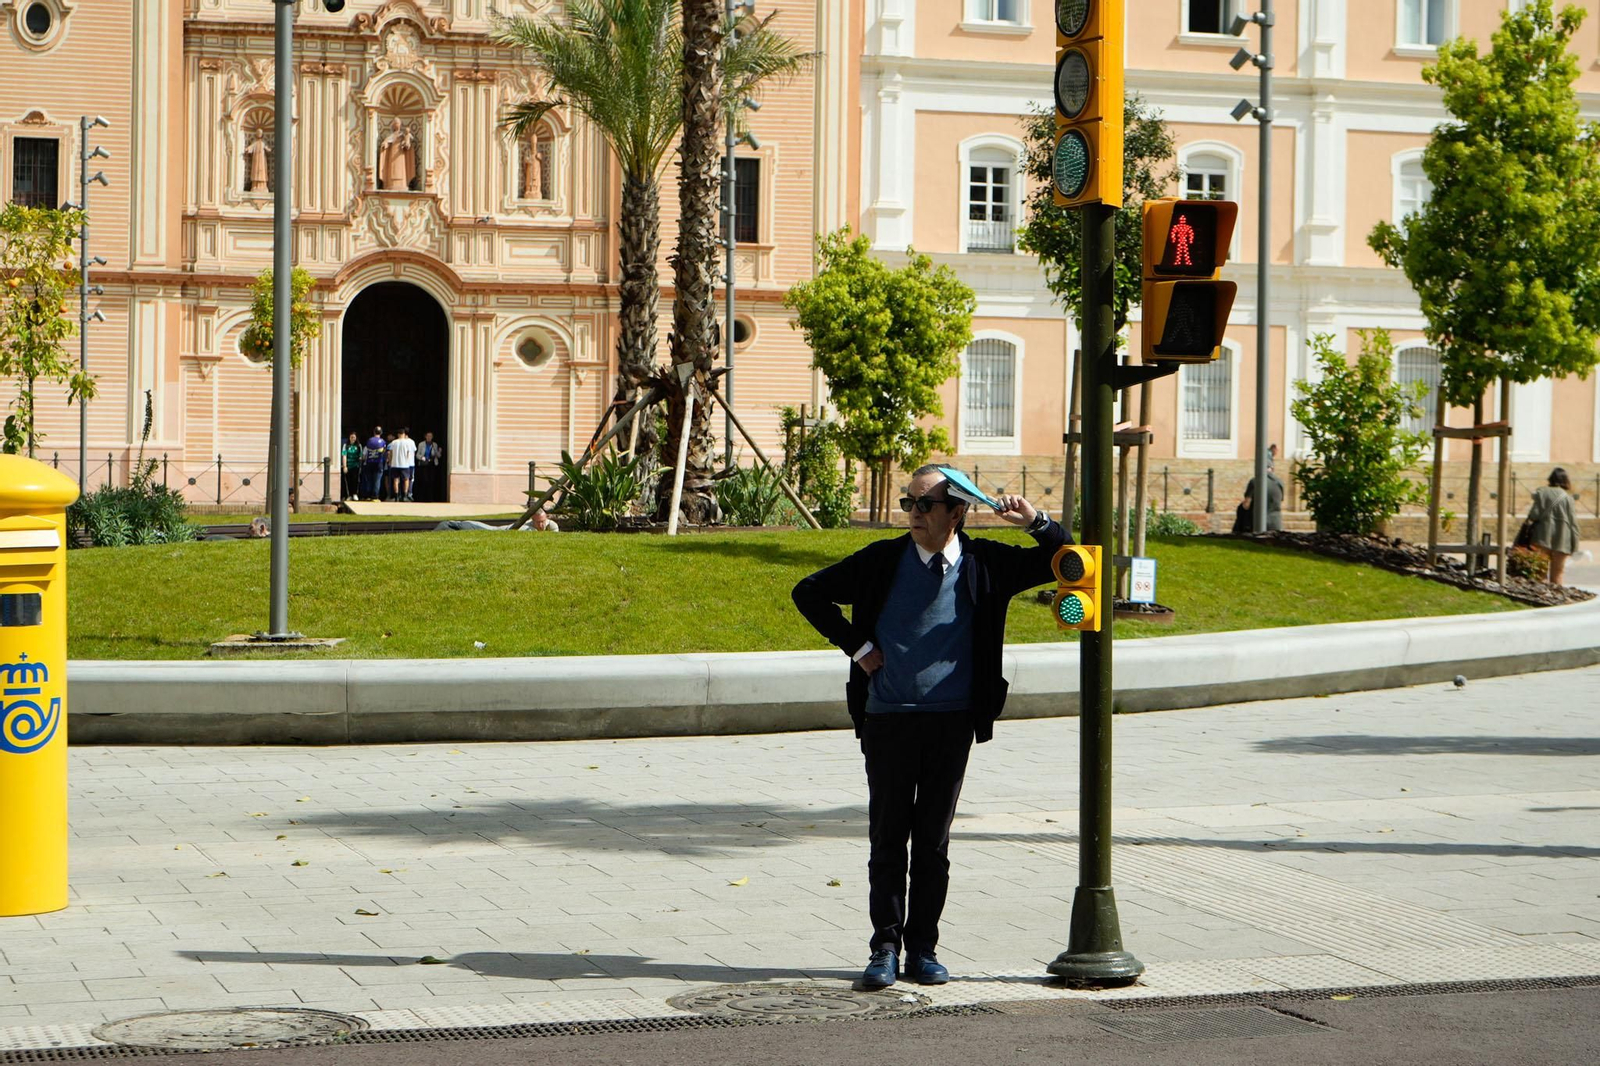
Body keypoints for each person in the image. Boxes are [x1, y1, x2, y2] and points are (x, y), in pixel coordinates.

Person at [791, 465, 1066, 990]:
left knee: (933, 843)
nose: (914, 514)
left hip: (951, 722)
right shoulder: (882, 561)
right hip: (888, 719)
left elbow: (1063, 560)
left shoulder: (987, 563)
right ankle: (884, 948)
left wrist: (1037, 522)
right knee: (888, 838)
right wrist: (859, 647)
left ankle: (924, 950)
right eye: (908, 503)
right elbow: (809, 593)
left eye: (925, 505)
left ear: (956, 512)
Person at [1526, 468, 1581, 585]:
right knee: (1558, 573)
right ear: (1566, 480)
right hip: (1562, 540)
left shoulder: (1541, 493)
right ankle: (1556, 597)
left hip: (1542, 537)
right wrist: (1575, 546)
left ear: (1550, 479)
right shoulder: (1568, 498)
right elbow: (1573, 524)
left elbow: (1534, 515)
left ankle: (1541, 596)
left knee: (1540, 571)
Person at [1235, 444, 1285, 533]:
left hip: (1257, 523)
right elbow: (1279, 501)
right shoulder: (1280, 482)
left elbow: (1246, 504)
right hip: (1275, 523)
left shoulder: (1255, 481)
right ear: (1272, 468)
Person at [388, 427, 417, 502]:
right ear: (404, 434)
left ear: (398, 435)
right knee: (406, 479)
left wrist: (390, 461)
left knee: (396, 480)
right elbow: (409, 453)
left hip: (395, 464)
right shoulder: (407, 442)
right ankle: (405, 495)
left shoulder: (393, 442)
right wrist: (407, 460)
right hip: (404, 464)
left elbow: (390, 453)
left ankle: (396, 496)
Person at [415, 431, 443, 503]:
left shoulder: (434, 444)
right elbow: (417, 455)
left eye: (430, 436)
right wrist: (422, 458)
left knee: (431, 482)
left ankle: (430, 498)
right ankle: (422, 498)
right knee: (424, 481)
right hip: (424, 465)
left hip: (432, 465)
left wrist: (439, 451)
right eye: (428, 436)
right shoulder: (421, 444)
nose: (429, 437)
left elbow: (438, 456)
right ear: (425, 437)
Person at [361, 429, 387, 501]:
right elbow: (384, 452)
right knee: (377, 480)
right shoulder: (382, 441)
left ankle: (368, 495)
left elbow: (366, 452)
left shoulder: (369, 441)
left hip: (369, 462)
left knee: (369, 480)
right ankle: (375, 496)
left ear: (374, 432)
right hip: (379, 463)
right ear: (381, 433)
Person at [341, 432, 362, 501]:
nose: (353, 439)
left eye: (354, 437)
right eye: (351, 437)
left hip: (356, 465)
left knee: (355, 481)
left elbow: (360, 456)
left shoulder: (359, 446)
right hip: (348, 465)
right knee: (348, 480)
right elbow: (344, 455)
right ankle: (349, 495)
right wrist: (344, 466)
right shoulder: (346, 445)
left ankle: (355, 494)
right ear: (349, 438)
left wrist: (360, 460)